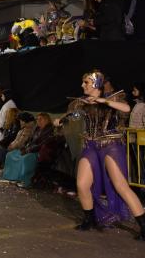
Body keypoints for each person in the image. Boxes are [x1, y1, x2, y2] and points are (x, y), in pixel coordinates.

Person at [56, 70, 145, 239]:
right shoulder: (81, 102)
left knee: (120, 186)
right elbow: (72, 115)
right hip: (91, 145)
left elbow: (126, 108)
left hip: (111, 145)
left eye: (86, 82)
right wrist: (61, 120)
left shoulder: (113, 97)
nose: (83, 85)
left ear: (96, 84)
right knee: (82, 184)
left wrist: (103, 100)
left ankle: (143, 225)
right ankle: (89, 219)